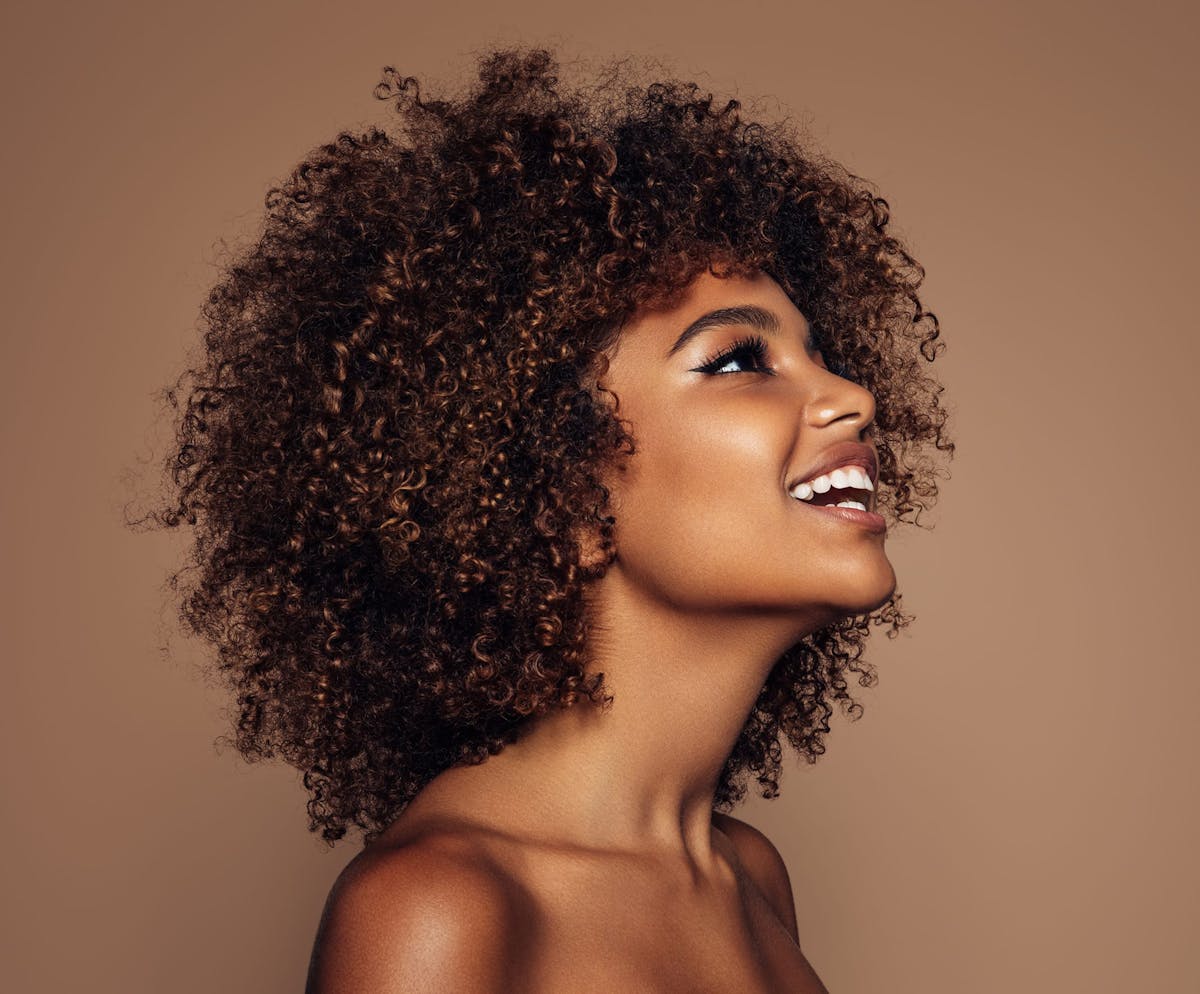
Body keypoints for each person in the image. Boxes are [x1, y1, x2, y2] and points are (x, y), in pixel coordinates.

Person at [146, 46, 952, 993]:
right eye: (738, 360)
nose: (853, 396)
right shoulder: (441, 908)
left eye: (820, 355)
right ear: (564, 491)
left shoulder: (750, 878)